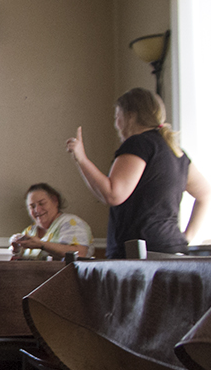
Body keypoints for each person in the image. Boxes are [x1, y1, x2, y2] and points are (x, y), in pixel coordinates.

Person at [66, 88, 211, 259]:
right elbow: (205, 194)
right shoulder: (176, 152)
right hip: (172, 250)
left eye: (117, 117)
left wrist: (82, 159)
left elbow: (113, 194)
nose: (116, 124)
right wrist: (184, 239)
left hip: (139, 255)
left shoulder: (139, 144)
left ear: (130, 116)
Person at [9, 183, 94, 260]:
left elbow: (79, 254)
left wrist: (41, 245)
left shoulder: (72, 223)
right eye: (32, 206)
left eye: (42, 203)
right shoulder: (29, 231)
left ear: (55, 201)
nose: (37, 210)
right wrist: (16, 249)